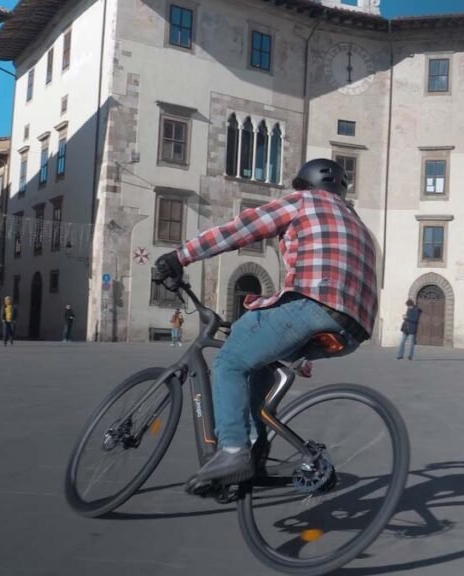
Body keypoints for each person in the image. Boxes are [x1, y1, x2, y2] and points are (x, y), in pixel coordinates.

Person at [154, 158, 376, 486]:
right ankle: (255, 455)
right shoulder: (359, 224)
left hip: (312, 304)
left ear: (305, 184)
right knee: (256, 364)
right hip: (353, 328)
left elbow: (241, 230)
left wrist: (179, 256)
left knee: (229, 361)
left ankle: (232, 450)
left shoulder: (302, 202)